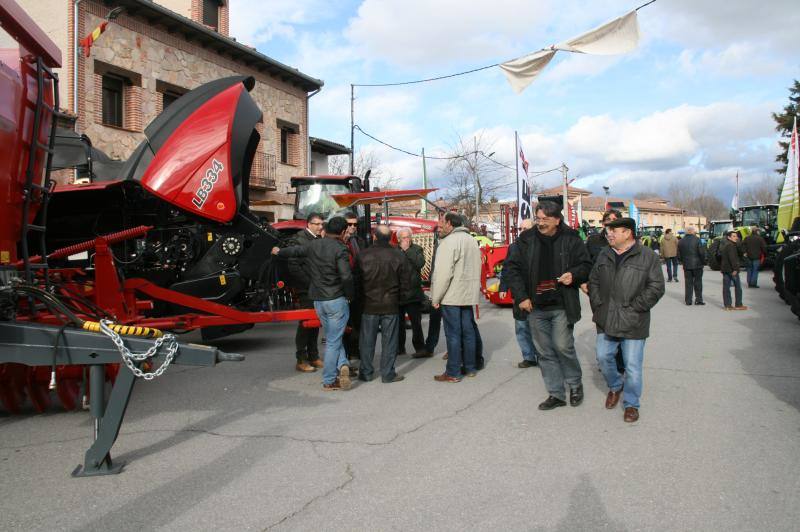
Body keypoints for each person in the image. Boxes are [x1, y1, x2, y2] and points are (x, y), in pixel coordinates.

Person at [504, 201, 592, 410]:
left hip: (562, 303)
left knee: (563, 346)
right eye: (538, 218)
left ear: (557, 220)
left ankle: (574, 384)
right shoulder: (526, 239)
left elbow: (586, 265)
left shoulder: (571, 238)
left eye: (545, 219)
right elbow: (512, 269)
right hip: (535, 305)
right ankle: (556, 394)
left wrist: (575, 275)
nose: (541, 223)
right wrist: (521, 297)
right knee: (544, 351)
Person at [589, 217, 665, 423]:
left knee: (632, 365)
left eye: (614, 231)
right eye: (608, 231)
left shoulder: (647, 256)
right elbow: (593, 281)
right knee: (603, 358)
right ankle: (615, 386)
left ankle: (631, 404)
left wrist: (635, 308)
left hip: (634, 320)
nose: (609, 234)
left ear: (628, 233)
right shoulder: (604, 254)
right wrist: (598, 303)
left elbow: (656, 287)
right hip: (606, 318)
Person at [273, 216, 355, 391]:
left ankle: (343, 364)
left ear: (326, 229)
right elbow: (346, 276)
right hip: (335, 299)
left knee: (334, 336)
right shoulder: (340, 248)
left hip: (318, 300)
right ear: (342, 232)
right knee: (334, 340)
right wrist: (350, 295)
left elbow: (294, 252)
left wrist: (278, 251)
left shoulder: (313, 245)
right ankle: (330, 379)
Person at [430, 212, 482, 382]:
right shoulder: (471, 240)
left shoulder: (449, 242)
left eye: (442, 222)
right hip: (467, 294)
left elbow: (443, 274)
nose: (439, 225)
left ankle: (453, 372)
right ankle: (470, 367)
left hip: (452, 295)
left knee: (453, 334)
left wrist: (435, 297)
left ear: (450, 224)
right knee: (468, 332)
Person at [355, 225, 409, 383]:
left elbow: (356, 282)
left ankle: (366, 372)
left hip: (369, 304)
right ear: (391, 237)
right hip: (391, 304)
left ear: (374, 236)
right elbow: (406, 283)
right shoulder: (399, 255)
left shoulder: (363, 255)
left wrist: (359, 301)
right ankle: (387, 373)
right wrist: (400, 300)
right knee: (390, 341)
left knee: (367, 341)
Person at [582, 209, 625, 374]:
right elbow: (585, 262)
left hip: (622, 291)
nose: (611, 222)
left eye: (615, 220)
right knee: (603, 324)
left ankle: (620, 362)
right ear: (603, 223)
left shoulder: (627, 240)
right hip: (598, 291)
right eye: (608, 220)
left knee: (621, 326)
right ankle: (605, 359)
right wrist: (583, 283)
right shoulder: (593, 241)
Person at [499, 218, 539, 368]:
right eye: (521, 229)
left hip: (537, 293)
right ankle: (529, 356)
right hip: (519, 292)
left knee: (537, 328)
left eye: (526, 229)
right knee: (521, 326)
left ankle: (543, 356)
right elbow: (507, 268)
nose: (523, 232)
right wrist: (503, 287)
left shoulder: (541, 245)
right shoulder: (514, 246)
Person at [287, 213, 324, 373]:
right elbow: (293, 265)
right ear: (308, 224)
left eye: (321, 224)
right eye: (316, 224)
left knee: (315, 322)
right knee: (305, 324)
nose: (319, 227)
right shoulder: (299, 239)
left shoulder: (316, 239)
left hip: (317, 288)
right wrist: (309, 283)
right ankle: (301, 359)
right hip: (306, 288)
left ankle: (313, 356)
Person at [396, 228, 426, 356]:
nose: (406, 240)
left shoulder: (416, 249)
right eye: (404, 238)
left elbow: (420, 263)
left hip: (413, 293)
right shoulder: (394, 251)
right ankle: (399, 348)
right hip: (398, 293)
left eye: (408, 237)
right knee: (399, 323)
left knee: (416, 323)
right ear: (398, 240)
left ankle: (419, 348)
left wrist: (407, 250)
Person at [343, 212, 365, 361]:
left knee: (358, 321)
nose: (352, 227)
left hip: (359, 287)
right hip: (344, 288)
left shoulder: (360, 241)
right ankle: (347, 354)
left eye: (355, 224)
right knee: (346, 323)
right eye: (349, 224)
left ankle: (355, 351)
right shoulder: (340, 241)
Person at [677, 225, 706, 305]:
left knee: (688, 283)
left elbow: (678, 254)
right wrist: (703, 261)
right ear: (693, 231)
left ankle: (688, 300)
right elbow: (701, 253)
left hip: (686, 265)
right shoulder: (697, 240)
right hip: (697, 264)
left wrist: (683, 261)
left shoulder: (681, 241)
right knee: (698, 282)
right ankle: (698, 299)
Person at [720, 231, 747, 310]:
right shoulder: (731, 246)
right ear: (729, 237)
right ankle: (738, 304)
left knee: (726, 287)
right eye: (734, 236)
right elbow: (732, 258)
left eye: (736, 236)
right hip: (731, 270)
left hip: (725, 269)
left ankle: (728, 305)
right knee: (738, 287)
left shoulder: (726, 245)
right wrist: (735, 269)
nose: (736, 238)